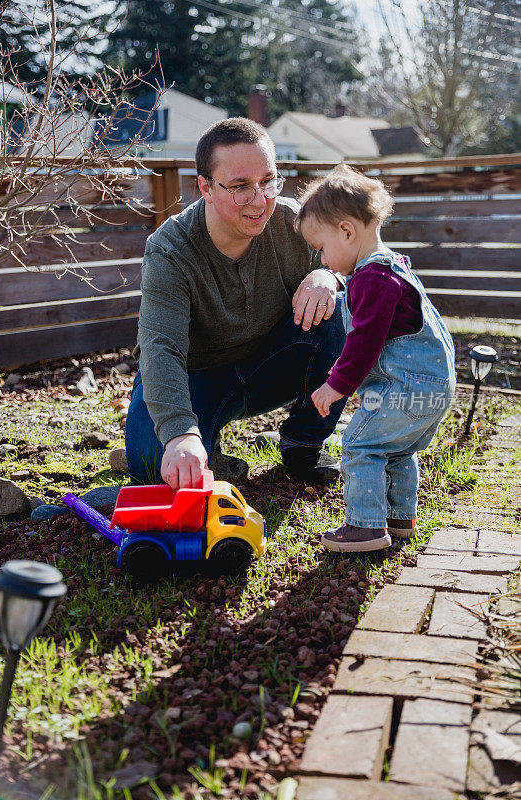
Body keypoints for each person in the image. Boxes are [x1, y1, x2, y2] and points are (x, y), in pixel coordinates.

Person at [125, 117, 348, 489]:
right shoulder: (169, 251)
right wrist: (180, 434)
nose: (260, 200)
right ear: (206, 188)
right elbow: (160, 349)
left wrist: (330, 277)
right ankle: (204, 446)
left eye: (268, 181)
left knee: (339, 307)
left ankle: (303, 444)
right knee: (151, 465)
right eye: (241, 187)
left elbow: (360, 261)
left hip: (269, 366)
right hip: (196, 377)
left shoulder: (296, 222)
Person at [295, 164, 456, 553]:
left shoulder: (371, 278)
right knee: (396, 448)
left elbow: (365, 342)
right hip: (434, 385)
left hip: (406, 386)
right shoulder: (393, 266)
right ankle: (400, 517)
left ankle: (365, 528)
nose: (322, 261)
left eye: (321, 249)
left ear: (347, 232)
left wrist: (335, 385)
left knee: (360, 446)